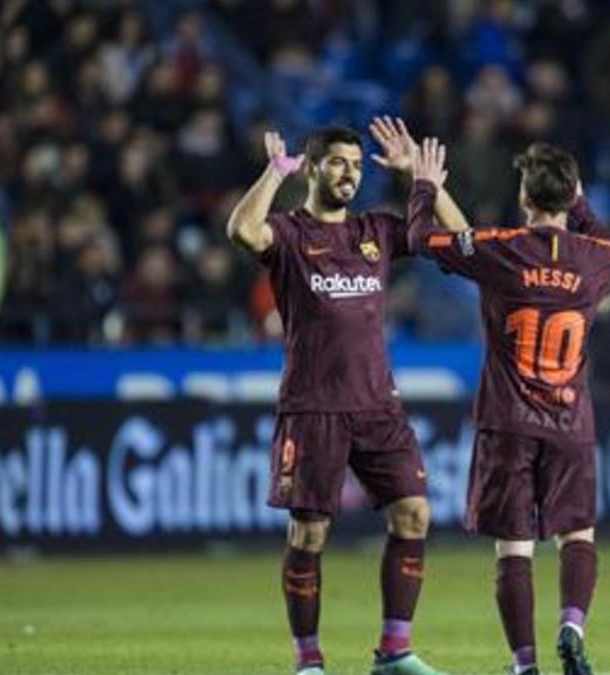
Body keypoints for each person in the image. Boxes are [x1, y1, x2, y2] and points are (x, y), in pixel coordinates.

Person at [226, 118, 467, 675]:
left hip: (378, 405)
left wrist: (422, 181)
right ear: (312, 169)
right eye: (337, 162)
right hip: (313, 407)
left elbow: (461, 240)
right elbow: (242, 231)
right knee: (309, 533)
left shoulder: (377, 229)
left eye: (357, 166)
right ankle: (308, 660)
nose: (349, 174)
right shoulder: (288, 233)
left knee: (414, 514)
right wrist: (273, 172)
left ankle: (394, 651)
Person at [407, 139, 610, 675]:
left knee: (514, 549)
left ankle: (525, 664)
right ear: (571, 194)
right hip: (570, 421)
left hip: (507, 421)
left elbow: (419, 239)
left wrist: (424, 188)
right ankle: (572, 623)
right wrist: (580, 202)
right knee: (577, 534)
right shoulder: (601, 258)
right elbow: (607, 240)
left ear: (524, 197)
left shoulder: (502, 249)